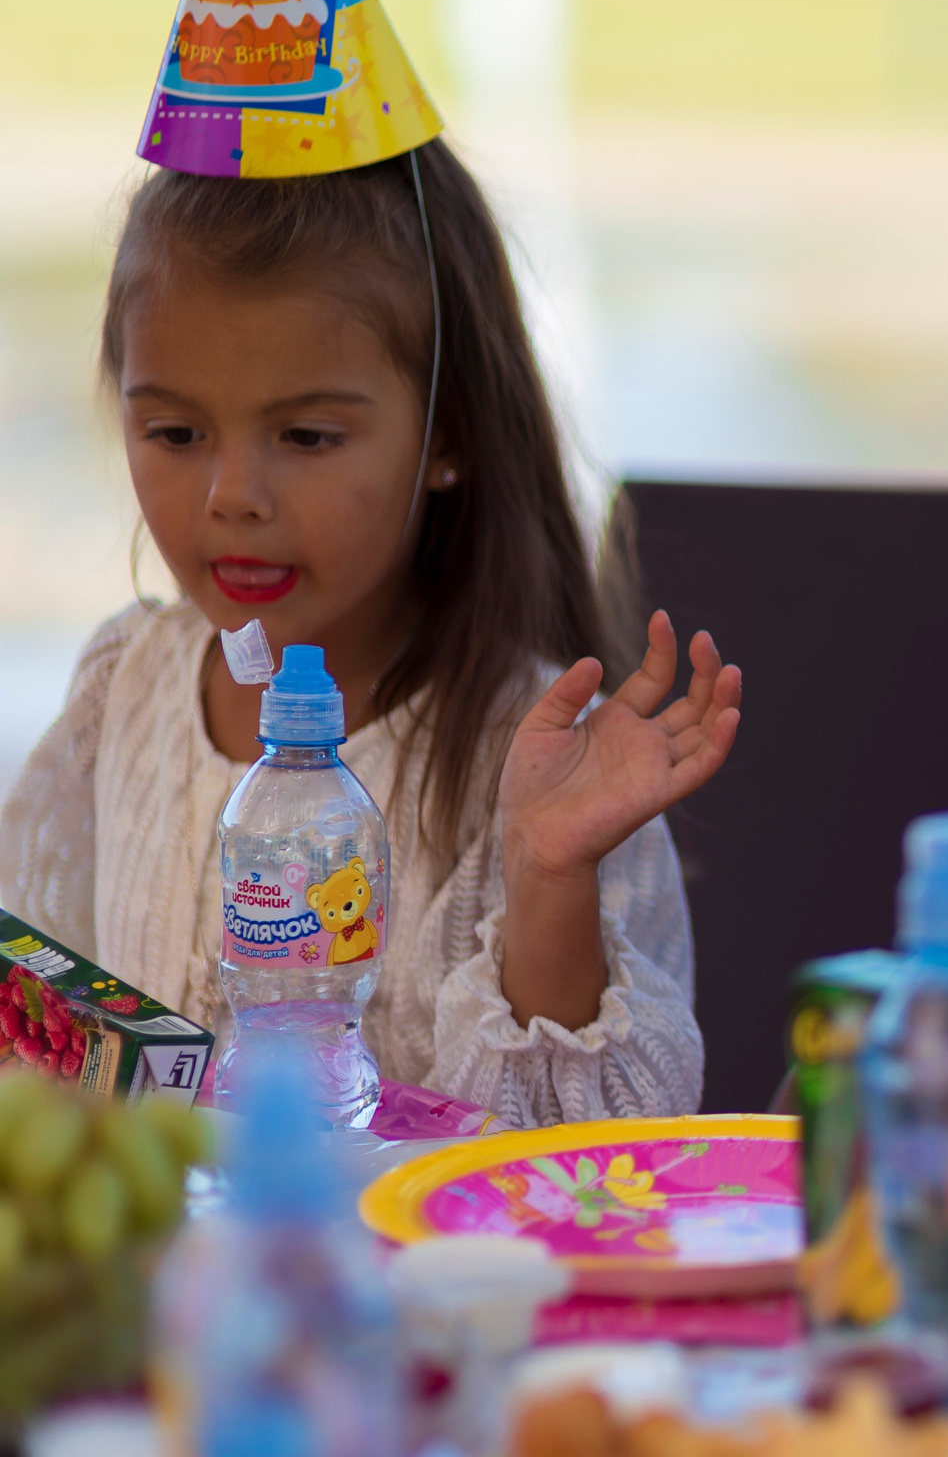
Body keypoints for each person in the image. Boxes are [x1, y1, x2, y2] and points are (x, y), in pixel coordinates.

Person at [0, 131, 740, 1126]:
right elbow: (37, 1025)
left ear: (447, 437)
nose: (231, 495)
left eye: (306, 435)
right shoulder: (121, 686)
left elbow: (590, 1168)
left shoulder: (548, 761)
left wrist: (546, 875)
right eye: (174, 432)